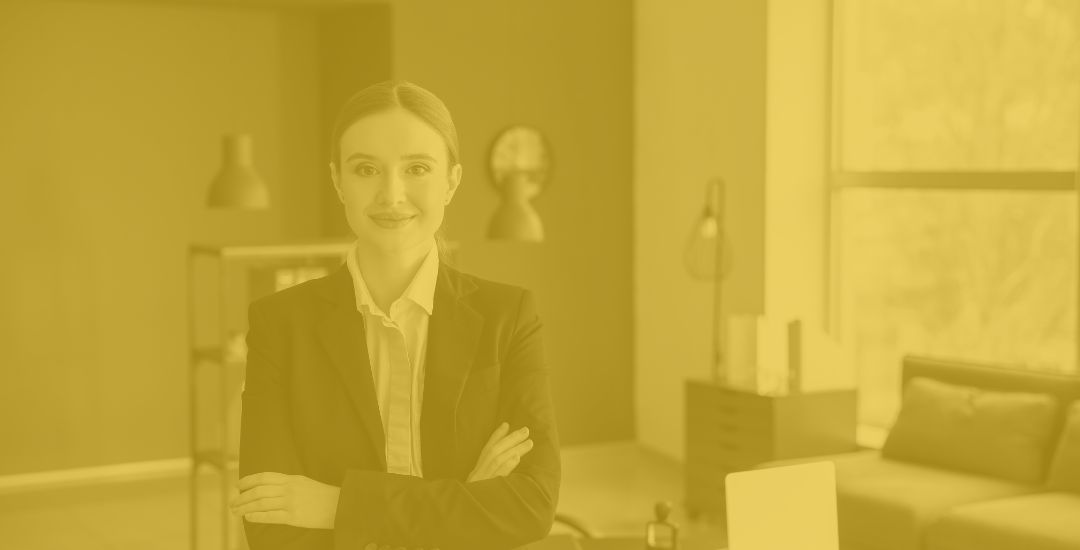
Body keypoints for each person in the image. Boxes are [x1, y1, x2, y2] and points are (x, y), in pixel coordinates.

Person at [228, 80, 561, 550]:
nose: (391, 194)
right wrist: (465, 498)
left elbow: (530, 507)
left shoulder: (510, 316)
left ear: (451, 181)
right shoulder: (278, 324)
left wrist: (336, 507)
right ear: (338, 181)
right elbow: (270, 525)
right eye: (365, 169)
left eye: (417, 168)